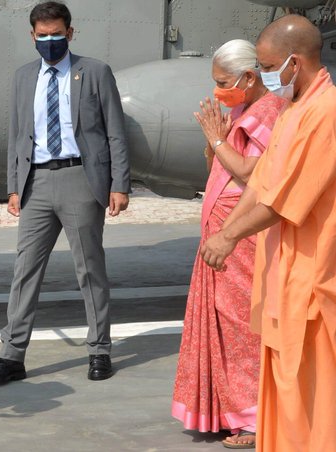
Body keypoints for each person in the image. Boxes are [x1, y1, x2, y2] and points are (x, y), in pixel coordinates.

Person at [200, 15, 336, 452]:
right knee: (284, 381)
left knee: (314, 389)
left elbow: (285, 200)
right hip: (283, 274)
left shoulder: (327, 112)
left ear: (294, 63)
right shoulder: (295, 109)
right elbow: (260, 185)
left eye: (267, 64)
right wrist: (226, 230)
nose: (262, 75)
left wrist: (228, 236)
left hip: (315, 276)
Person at [0, 1, 130, 384]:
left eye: (57, 34)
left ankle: (99, 350)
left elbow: (115, 131)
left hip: (81, 178)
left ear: (70, 33)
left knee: (89, 269)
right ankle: (12, 355)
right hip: (37, 184)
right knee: (25, 270)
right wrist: (14, 187)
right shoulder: (23, 77)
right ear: (32, 36)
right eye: (43, 35)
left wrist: (119, 184)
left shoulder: (94, 72)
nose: (50, 41)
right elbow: (17, 137)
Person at [171, 39, 286, 449]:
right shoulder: (242, 110)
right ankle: (228, 409)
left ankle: (254, 417)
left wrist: (216, 140)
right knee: (221, 322)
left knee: (241, 324)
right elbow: (218, 167)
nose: (219, 90)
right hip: (220, 231)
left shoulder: (270, 111)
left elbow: (253, 172)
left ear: (250, 77)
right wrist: (215, 143)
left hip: (241, 234)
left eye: (224, 82)